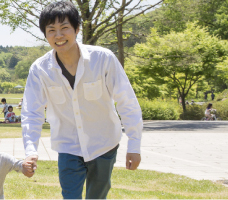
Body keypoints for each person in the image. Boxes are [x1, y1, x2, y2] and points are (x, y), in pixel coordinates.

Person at [20, 1, 143, 199]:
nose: (58, 36)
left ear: (77, 29)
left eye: (64, 28)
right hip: (68, 146)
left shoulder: (103, 59)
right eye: (51, 30)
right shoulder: (39, 69)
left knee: (97, 197)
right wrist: (31, 150)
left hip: (104, 143)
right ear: (45, 34)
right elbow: (31, 112)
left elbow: (126, 101)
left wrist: (134, 146)